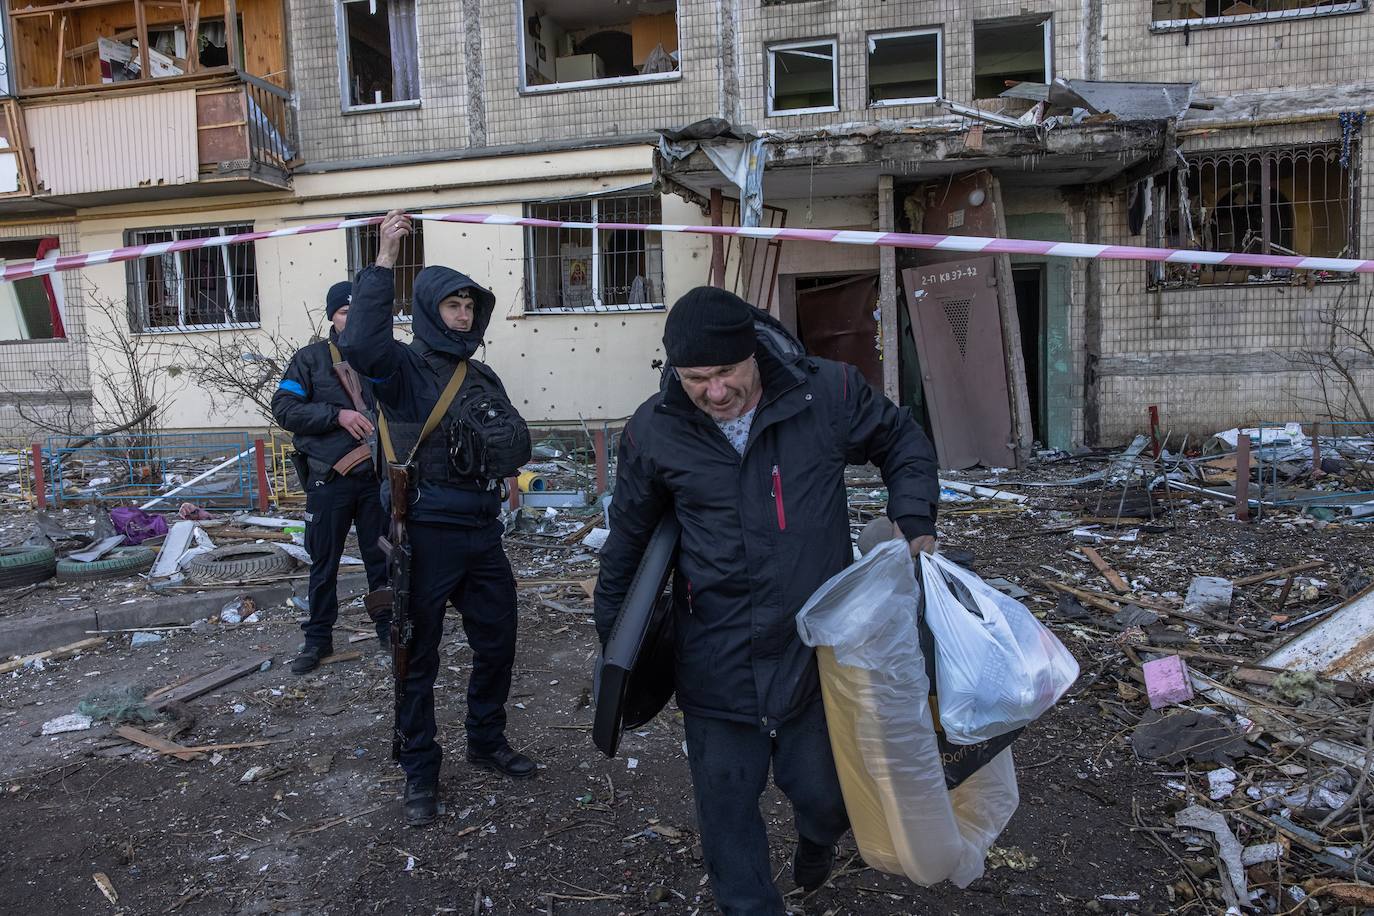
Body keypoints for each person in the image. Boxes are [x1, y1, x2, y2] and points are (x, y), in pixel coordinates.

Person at [594, 287, 939, 915]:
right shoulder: (655, 429)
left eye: (727, 372)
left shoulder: (825, 393)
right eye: (696, 379)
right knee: (727, 818)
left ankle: (817, 842)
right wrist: (615, 648)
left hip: (816, 654)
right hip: (716, 658)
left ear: (752, 351)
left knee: (826, 798)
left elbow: (902, 441)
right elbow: (627, 545)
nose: (714, 392)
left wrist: (914, 520)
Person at [339, 210, 535, 828]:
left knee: (498, 641)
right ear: (428, 310)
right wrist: (384, 260)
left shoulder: (480, 374)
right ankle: (420, 770)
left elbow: (499, 438)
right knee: (416, 658)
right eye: (452, 305)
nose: (463, 315)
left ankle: (486, 739)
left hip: (481, 533)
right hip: (423, 536)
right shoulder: (400, 370)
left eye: (470, 306)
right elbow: (360, 344)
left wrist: (506, 469)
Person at [271, 281, 390, 675]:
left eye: (358, 313)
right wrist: (337, 415)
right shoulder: (309, 360)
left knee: (383, 560)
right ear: (332, 317)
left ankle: (389, 630)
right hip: (329, 479)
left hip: (377, 479)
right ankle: (318, 639)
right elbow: (284, 408)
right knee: (324, 564)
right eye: (344, 313)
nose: (351, 320)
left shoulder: (383, 358)